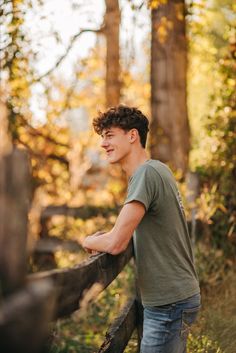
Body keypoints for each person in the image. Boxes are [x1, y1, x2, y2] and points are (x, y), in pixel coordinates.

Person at [83, 105, 201, 353]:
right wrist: (109, 235)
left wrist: (88, 240)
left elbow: (116, 243)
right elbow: (135, 230)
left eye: (109, 135)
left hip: (169, 303)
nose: (103, 144)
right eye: (102, 137)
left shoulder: (146, 174)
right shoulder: (157, 169)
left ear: (132, 135)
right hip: (176, 297)